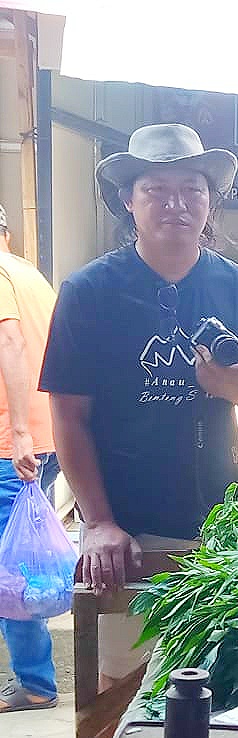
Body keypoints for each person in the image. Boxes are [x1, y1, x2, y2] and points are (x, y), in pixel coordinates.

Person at [39, 123, 238, 687]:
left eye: (192, 188)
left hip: (223, 524)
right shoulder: (90, 292)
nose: (176, 203)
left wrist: (235, 390)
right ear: (129, 199)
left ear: (210, 197)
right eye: (156, 190)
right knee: (123, 692)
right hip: (127, 528)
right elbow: (68, 415)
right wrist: (98, 521)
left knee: (218, 688)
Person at [0, 204, 60, 711]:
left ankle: (36, 683)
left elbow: (11, 340)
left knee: (13, 568)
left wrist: (18, 432)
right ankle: (34, 675)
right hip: (47, 436)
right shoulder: (31, 275)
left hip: (12, 446)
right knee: (24, 560)